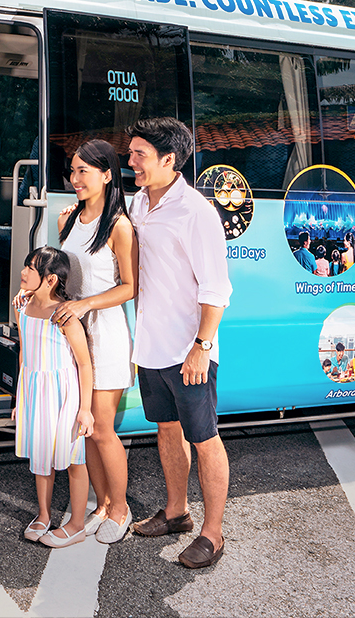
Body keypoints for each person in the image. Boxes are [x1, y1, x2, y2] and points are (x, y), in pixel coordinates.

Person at [124, 116, 232, 569]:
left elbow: (216, 289)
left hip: (188, 350)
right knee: (166, 430)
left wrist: (201, 347)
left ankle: (213, 533)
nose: (130, 162)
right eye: (130, 153)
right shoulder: (138, 204)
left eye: (139, 155)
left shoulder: (196, 212)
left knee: (204, 438)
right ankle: (176, 512)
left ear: (169, 160)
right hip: (150, 346)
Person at [47, 139, 138, 544]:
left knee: (102, 426)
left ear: (107, 175)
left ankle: (120, 509)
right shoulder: (70, 218)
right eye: (72, 170)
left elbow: (130, 287)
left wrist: (87, 306)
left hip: (106, 331)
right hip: (73, 333)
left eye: (84, 171)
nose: (75, 178)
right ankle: (101, 504)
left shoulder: (119, 225)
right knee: (83, 427)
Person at [14, 246, 96, 548]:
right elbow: (24, 352)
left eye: (31, 269)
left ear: (50, 280)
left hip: (63, 394)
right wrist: (18, 399)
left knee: (74, 460)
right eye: (26, 266)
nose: (23, 272)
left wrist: (85, 409)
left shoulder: (64, 316)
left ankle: (76, 524)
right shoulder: (22, 307)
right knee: (40, 456)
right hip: (34, 390)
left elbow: (84, 363)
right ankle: (44, 514)